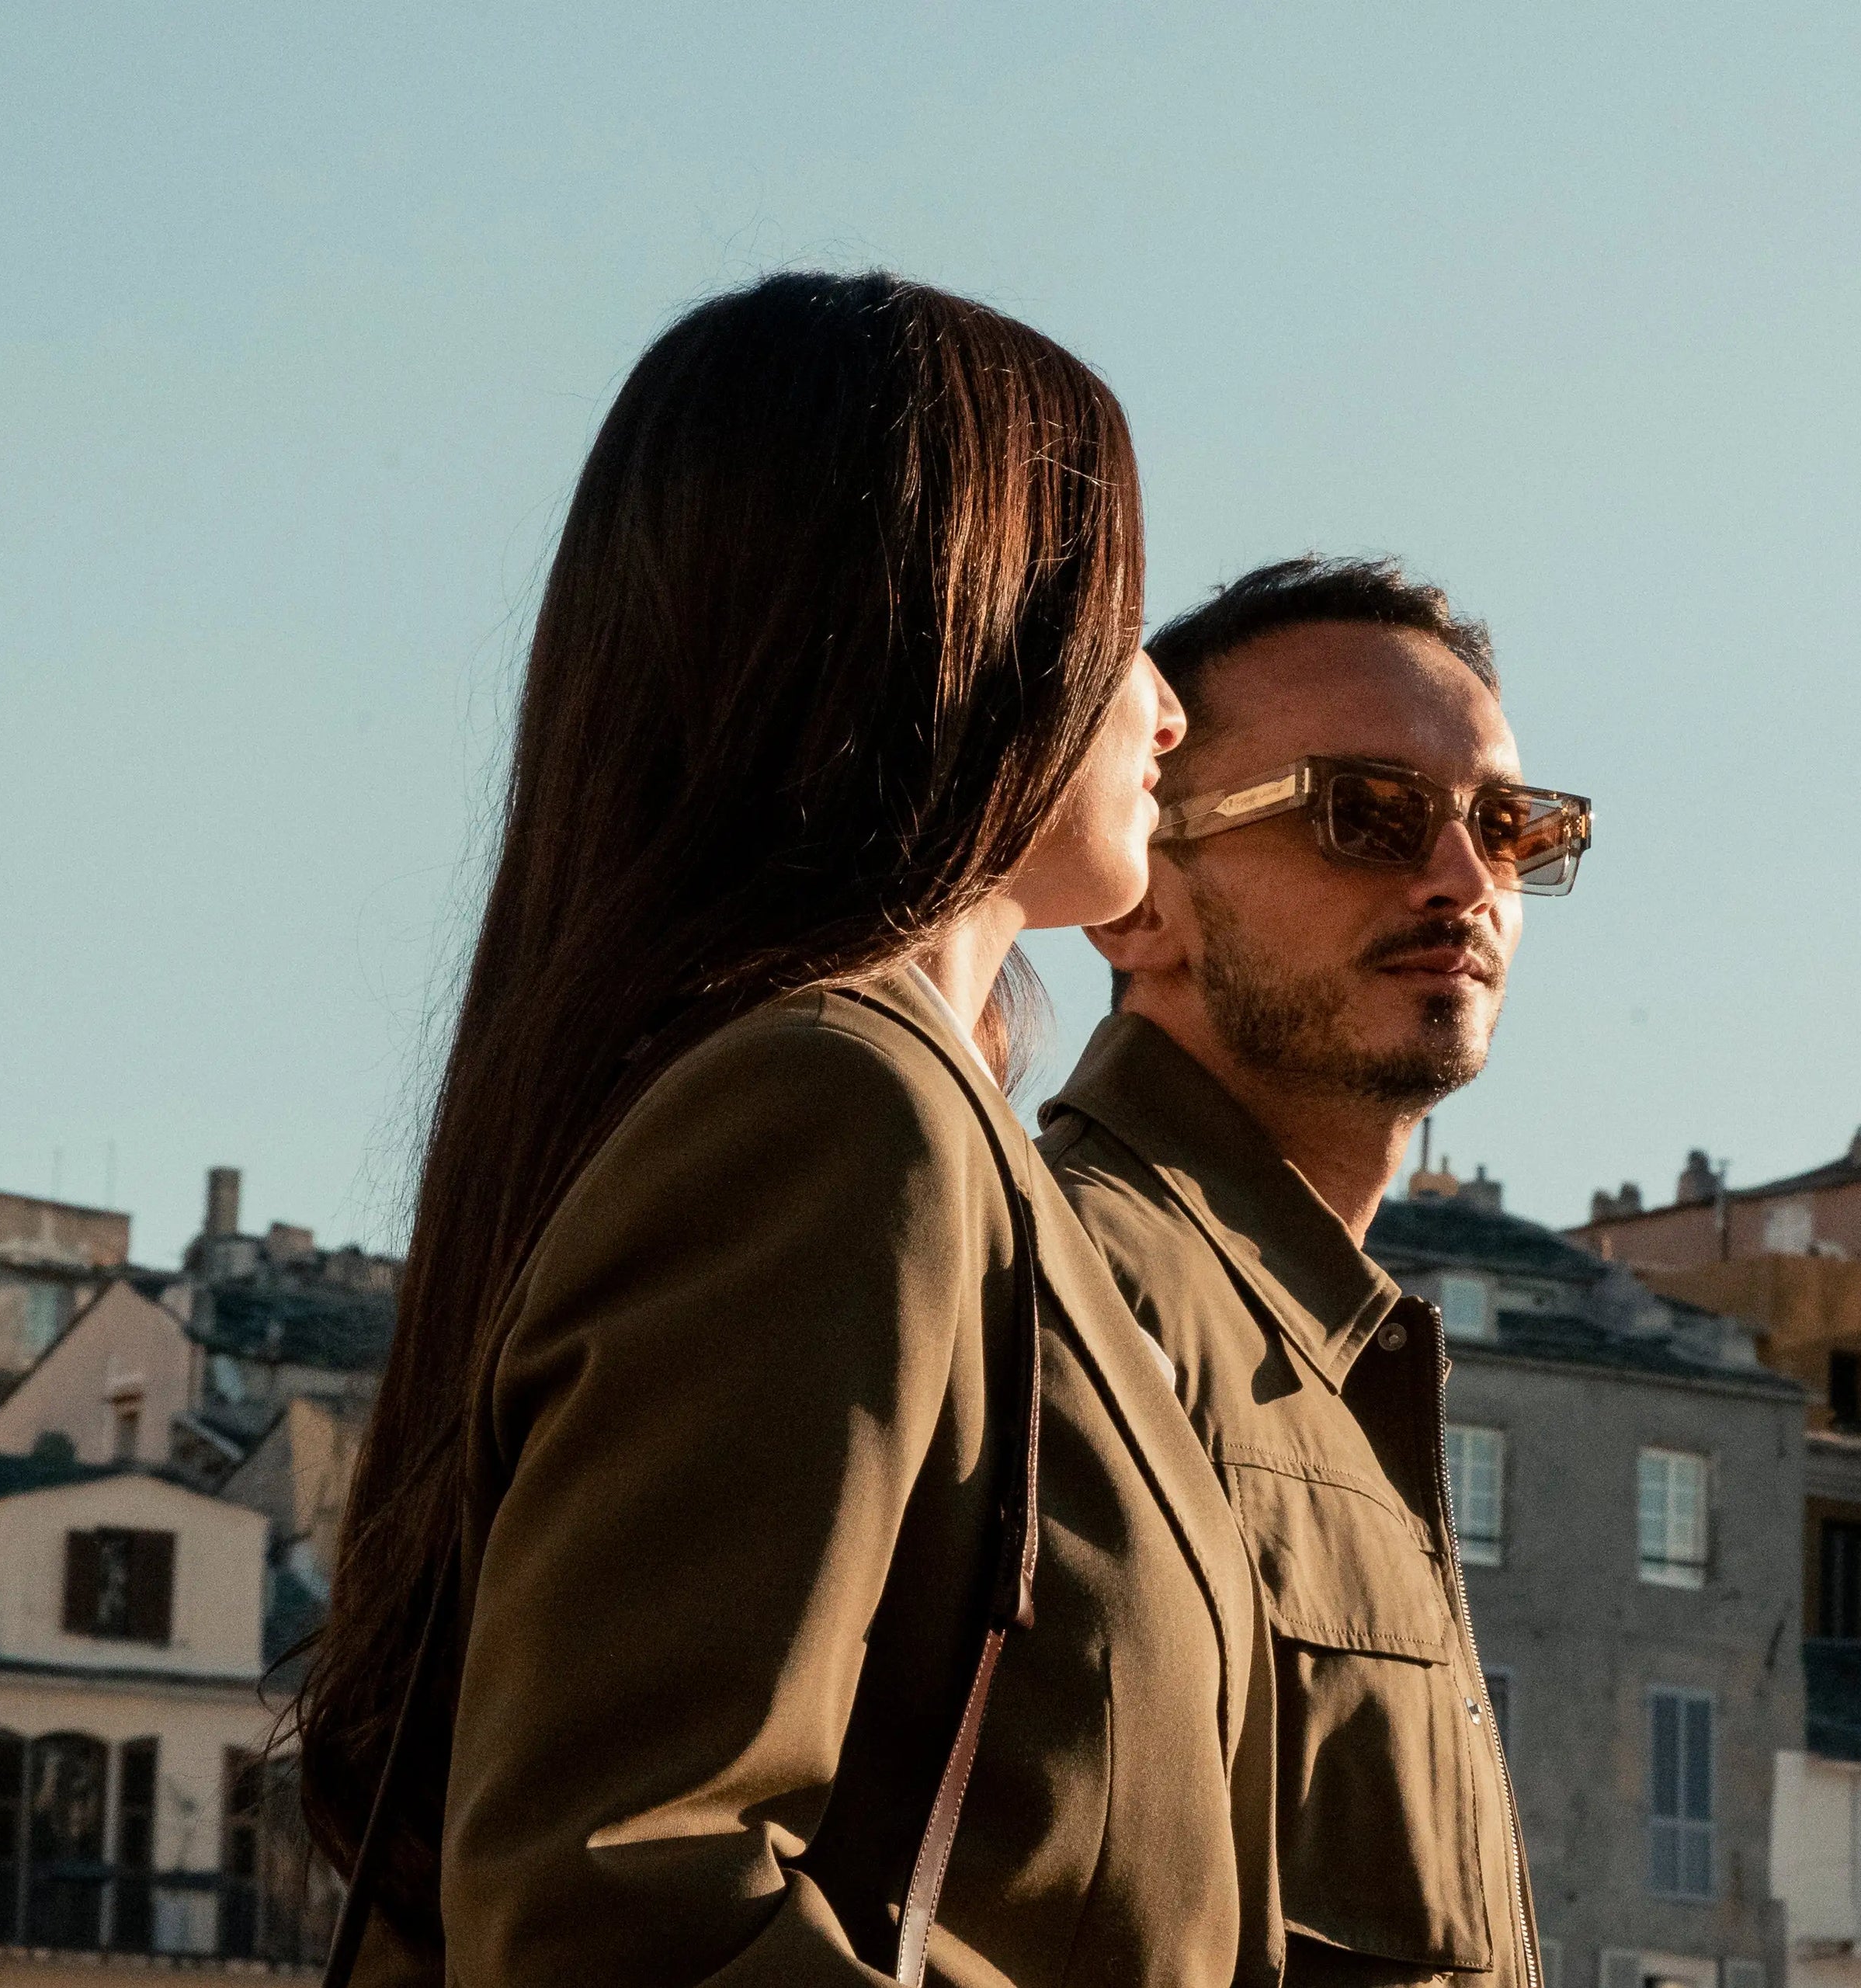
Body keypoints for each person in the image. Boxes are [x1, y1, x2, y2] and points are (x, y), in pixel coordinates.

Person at [297, 273, 1281, 1988]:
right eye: (1124, 620)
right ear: (975, 625)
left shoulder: (882, 1119)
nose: (1167, 707)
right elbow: (616, 1894)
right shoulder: (837, 1110)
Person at [1038, 557, 1591, 1988]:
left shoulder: (1340, 1357)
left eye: (1510, 828)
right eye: (1370, 814)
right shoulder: (1068, 1282)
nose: (1465, 881)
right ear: (1137, 902)